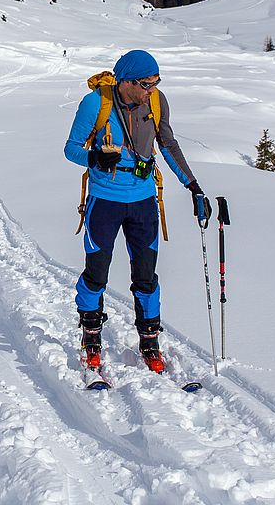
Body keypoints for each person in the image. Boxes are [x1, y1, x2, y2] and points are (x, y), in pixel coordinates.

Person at [63, 50, 209, 373]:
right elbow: (70, 148)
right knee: (96, 273)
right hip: (104, 200)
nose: (151, 91)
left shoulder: (156, 103)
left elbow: (168, 145)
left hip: (144, 201)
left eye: (156, 83)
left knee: (146, 277)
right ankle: (90, 335)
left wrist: (193, 186)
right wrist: (95, 159)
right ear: (125, 81)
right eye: (145, 84)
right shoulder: (95, 104)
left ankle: (149, 340)